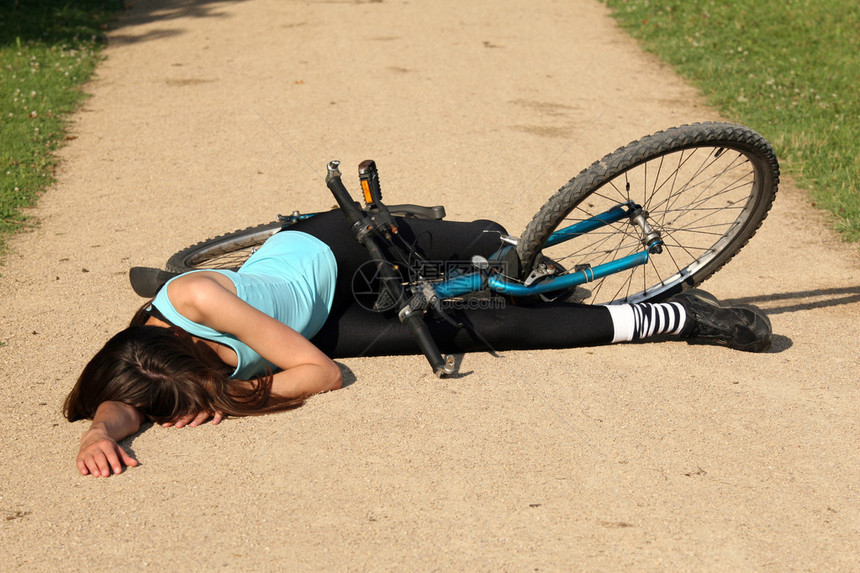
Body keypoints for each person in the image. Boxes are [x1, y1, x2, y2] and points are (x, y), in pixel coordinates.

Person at [65, 210, 772, 477]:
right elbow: (123, 402)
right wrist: (101, 430)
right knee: (489, 330)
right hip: (312, 323)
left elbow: (317, 373)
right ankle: (677, 314)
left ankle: (468, 236)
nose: (163, 414)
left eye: (174, 401)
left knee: (498, 261)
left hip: (325, 252)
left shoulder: (197, 300)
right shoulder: (146, 370)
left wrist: (232, 391)